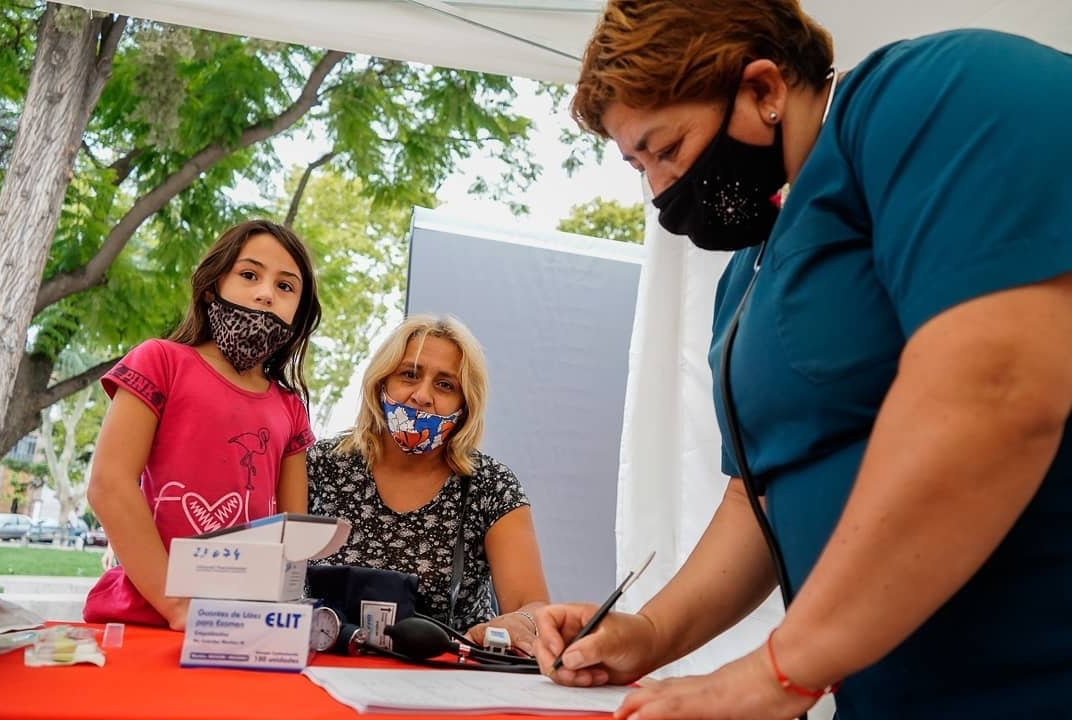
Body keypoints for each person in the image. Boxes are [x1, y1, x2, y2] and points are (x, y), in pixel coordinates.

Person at [532, 2, 1072, 719]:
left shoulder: (938, 91)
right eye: (639, 166)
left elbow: (998, 387)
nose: (659, 191)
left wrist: (776, 672)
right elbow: (757, 496)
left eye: (667, 150)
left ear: (764, 89)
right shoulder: (750, 275)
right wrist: (649, 632)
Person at [84, 219, 322, 631]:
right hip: (143, 619)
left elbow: (292, 536)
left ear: (298, 312)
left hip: (242, 625)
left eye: (286, 286)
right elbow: (109, 483)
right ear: (212, 285)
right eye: (249, 274)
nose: (266, 293)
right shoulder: (159, 361)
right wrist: (178, 606)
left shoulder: (290, 407)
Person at [308, 314, 549, 654]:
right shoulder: (320, 465)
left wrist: (520, 622)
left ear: (465, 406)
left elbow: (534, 605)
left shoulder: (492, 486)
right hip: (322, 673)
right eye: (409, 374)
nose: (421, 395)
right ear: (381, 383)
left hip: (449, 681)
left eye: (445, 385)